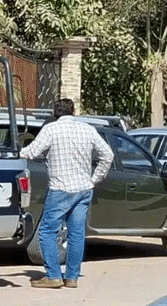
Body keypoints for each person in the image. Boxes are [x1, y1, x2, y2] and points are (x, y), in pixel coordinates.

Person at [19, 98, 113, 289]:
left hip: (60, 189)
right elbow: (108, 155)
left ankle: (53, 275)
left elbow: (31, 152)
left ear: (55, 112)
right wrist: (95, 179)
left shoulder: (51, 130)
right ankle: (72, 277)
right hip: (83, 189)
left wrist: (12, 152)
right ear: (74, 111)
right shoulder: (87, 129)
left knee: (47, 231)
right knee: (77, 234)